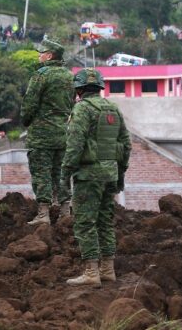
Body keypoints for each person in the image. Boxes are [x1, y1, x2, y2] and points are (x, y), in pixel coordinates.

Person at [62, 68, 131, 287]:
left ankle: (92, 273)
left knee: (85, 223)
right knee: (105, 222)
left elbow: (75, 144)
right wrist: (120, 175)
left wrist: (65, 173)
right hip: (110, 174)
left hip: (88, 176)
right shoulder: (113, 109)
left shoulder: (82, 109)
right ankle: (107, 270)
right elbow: (126, 146)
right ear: (99, 88)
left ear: (79, 89)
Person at [21, 38, 75, 225]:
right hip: (62, 134)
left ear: (50, 55)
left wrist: (26, 121)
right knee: (61, 173)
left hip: (41, 135)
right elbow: (71, 104)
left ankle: (43, 214)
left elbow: (29, 105)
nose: (39, 55)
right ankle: (65, 211)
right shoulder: (70, 76)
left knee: (41, 173)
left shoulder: (41, 75)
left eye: (41, 52)